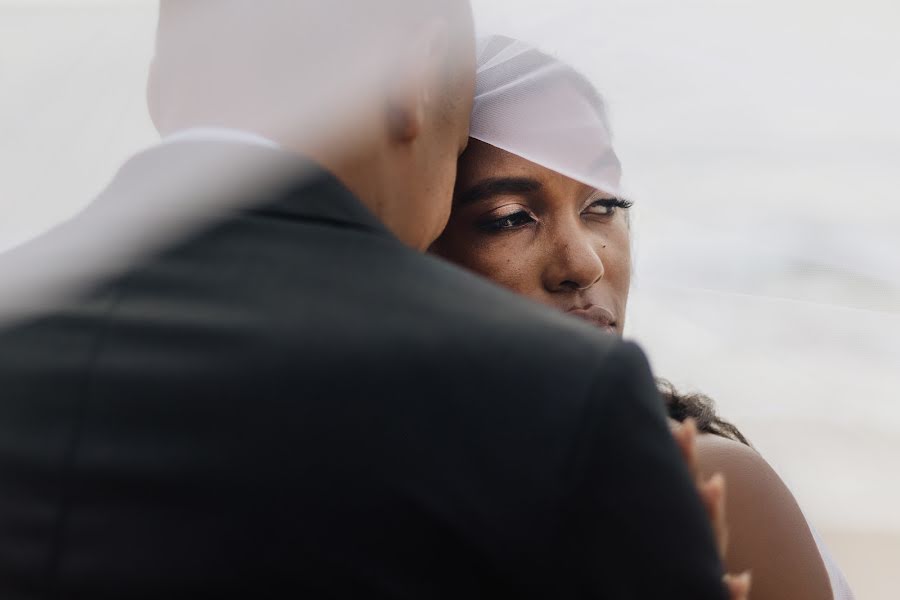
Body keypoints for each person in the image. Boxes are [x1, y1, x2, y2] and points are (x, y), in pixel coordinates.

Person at [0, 3, 732, 598]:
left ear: (159, 88)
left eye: (605, 202)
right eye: (506, 215)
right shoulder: (559, 397)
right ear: (413, 81)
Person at [432, 34, 854, 600]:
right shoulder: (356, 489)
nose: (583, 264)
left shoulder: (702, 488)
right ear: (417, 236)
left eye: (604, 205)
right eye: (510, 217)